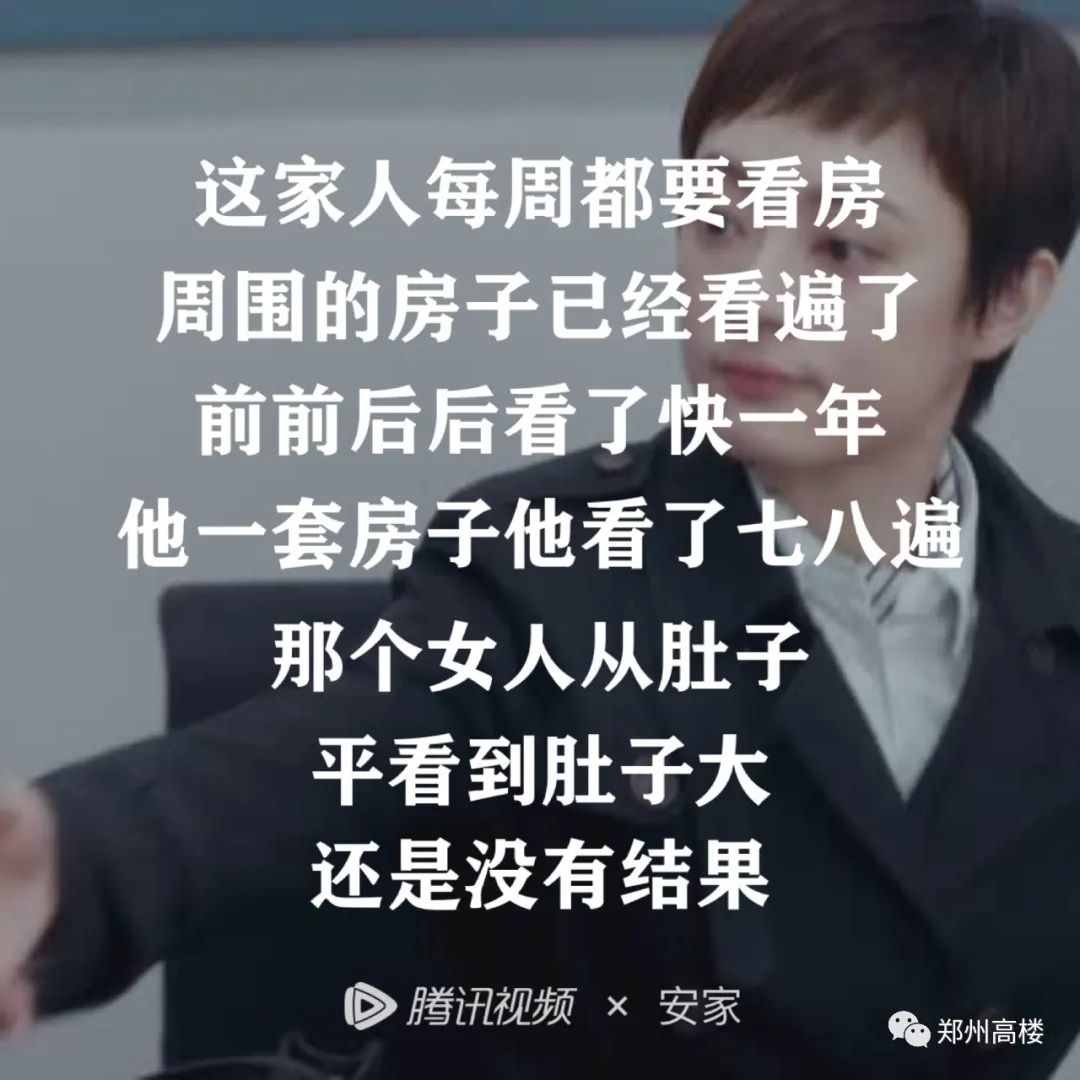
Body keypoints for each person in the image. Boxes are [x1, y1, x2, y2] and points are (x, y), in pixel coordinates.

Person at [4, 0, 1080, 1076]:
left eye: (842, 249)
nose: (749, 297)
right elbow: (304, 766)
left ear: (1004, 299)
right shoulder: (539, 565)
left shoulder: (1060, 608)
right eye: (718, 223)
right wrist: (66, 859)